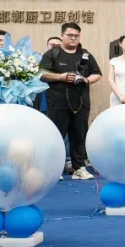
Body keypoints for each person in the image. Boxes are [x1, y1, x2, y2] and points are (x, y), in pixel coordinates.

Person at [39, 22, 102, 180]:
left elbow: (97, 73)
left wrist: (86, 80)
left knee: (79, 136)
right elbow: (41, 73)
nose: (73, 38)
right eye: (70, 35)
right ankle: (53, 169)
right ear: (62, 36)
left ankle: (79, 168)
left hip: (81, 103)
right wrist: (60, 77)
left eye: (76, 36)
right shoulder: (52, 54)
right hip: (57, 103)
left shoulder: (85, 54)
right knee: (56, 137)